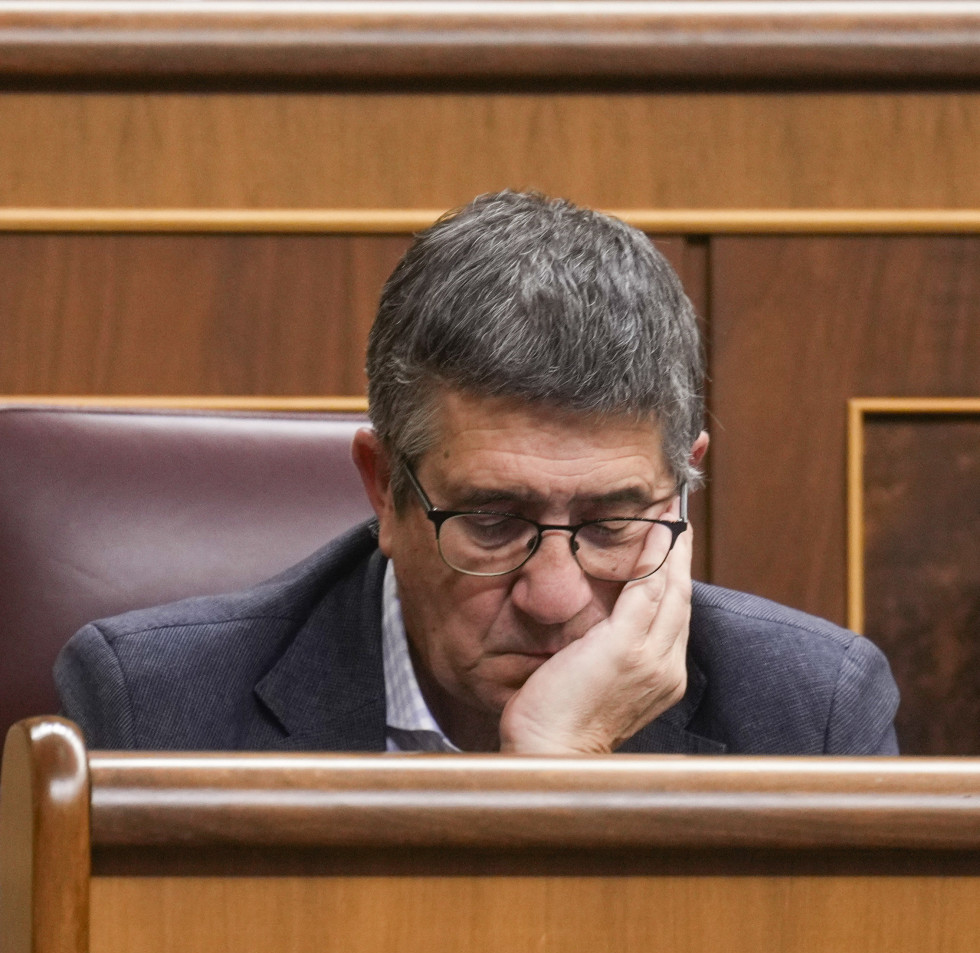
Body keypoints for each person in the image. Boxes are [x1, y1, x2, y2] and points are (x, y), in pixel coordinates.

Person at [55, 191, 899, 755]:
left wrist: (562, 762)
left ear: (682, 489)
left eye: (611, 524)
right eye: (494, 522)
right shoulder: (153, 712)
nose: (556, 596)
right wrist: (540, 786)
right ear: (384, 488)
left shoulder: (808, 713)